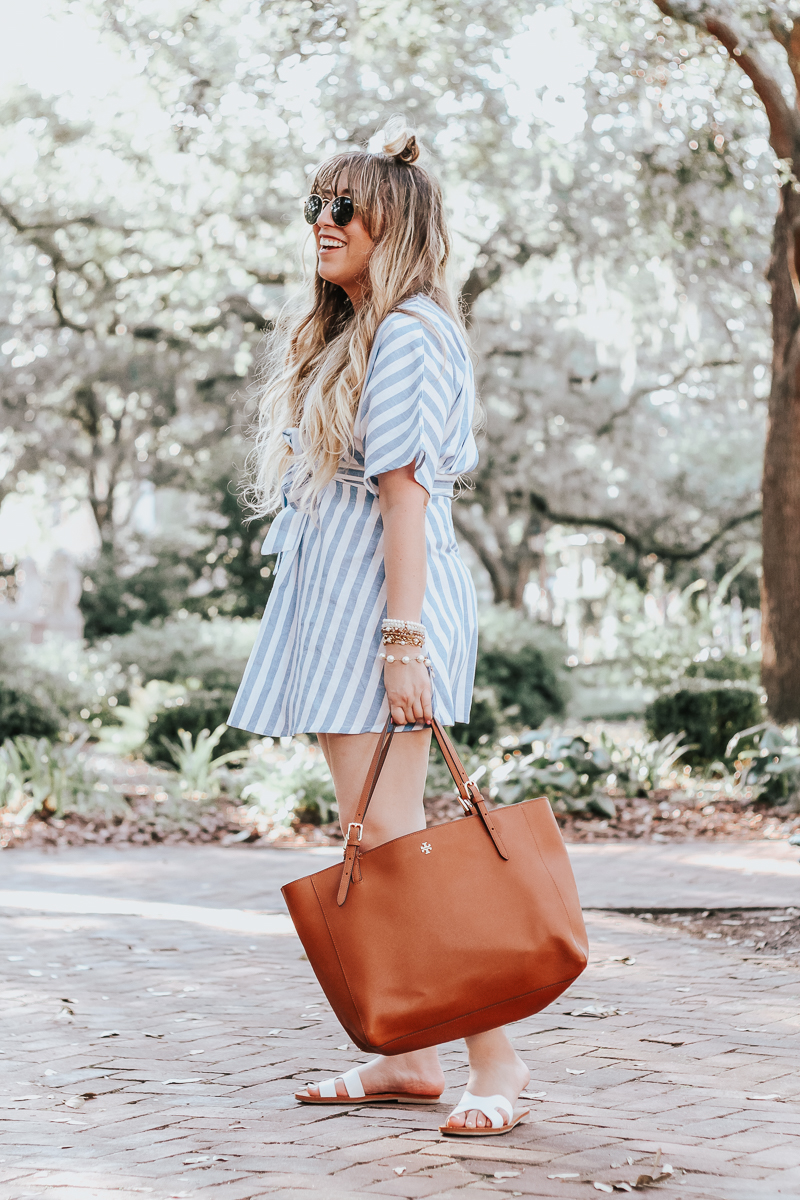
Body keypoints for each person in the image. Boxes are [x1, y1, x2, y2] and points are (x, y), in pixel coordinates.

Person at [228, 117, 530, 1135]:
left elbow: (404, 500)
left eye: (342, 207)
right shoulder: (354, 331)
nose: (321, 220)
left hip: (382, 610)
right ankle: (408, 1058)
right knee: (371, 833)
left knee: (395, 840)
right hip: (340, 606)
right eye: (313, 204)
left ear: (389, 221)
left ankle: (499, 1062)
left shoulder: (407, 333)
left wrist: (404, 642)